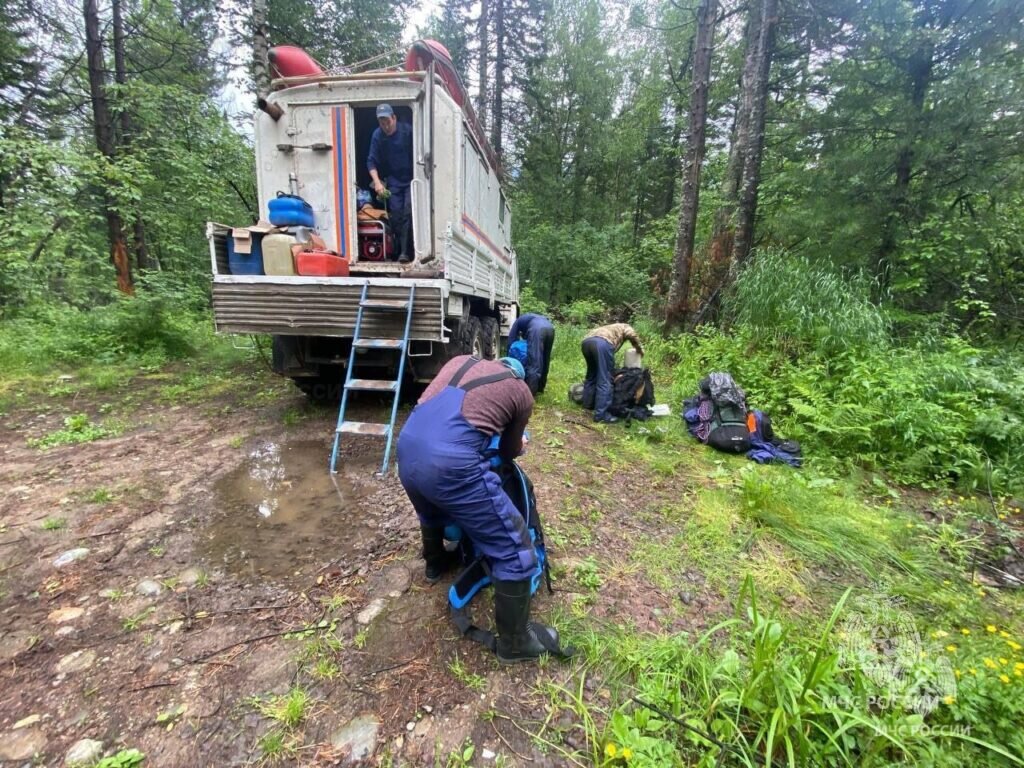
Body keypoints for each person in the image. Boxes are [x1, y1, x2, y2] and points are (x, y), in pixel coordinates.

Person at [396, 355, 557, 663]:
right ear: (519, 376)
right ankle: (515, 642)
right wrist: (519, 441)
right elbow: (509, 451)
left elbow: (444, 414)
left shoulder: (458, 361)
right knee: (515, 551)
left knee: (431, 509)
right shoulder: (520, 392)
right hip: (451, 465)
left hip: (406, 449)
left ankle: (435, 563)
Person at [367, 103, 414, 263]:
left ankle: (405, 252)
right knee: (395, 215)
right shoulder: (377, 135)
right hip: (394, 179)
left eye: (387, 121)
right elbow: (371, 161)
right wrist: (377, 183)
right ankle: (396, 251)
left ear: (394, 118)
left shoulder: (407, 131)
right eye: (382, 122)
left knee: (408, 213)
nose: (385, 125)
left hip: (411, 178)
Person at [581, 323, 643, 423]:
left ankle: (588, 404)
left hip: (586, 343)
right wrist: (639, 350)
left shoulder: (609, 327)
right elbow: (631, 335)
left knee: (592, 375)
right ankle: (601, 415)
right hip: (602, 344)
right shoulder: (625, 326)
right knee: (605, 379)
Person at [507, 313, 555, 395]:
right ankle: (540, 387)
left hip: (537, 329)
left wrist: (508, 357)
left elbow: (511, 339)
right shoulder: (530, 317)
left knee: (534, 362)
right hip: (550, 328)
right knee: (545, 359)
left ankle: (530, 393)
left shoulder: (518, 321)